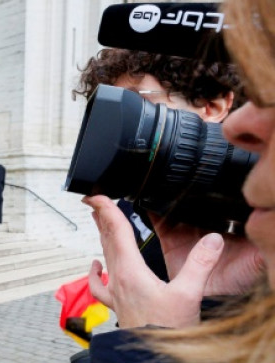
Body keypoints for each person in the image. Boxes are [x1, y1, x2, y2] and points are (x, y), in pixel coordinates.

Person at [32, 0, 275, 363]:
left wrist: (151, 355)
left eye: (141, 113)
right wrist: (209, 309)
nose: (121, 146)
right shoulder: (171, 230)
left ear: (214, 106)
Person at [73, 47, 243, 281]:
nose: (121, 134)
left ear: (211, 105)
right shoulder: (127, 205)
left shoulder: (256, 211)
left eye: (138, 107)